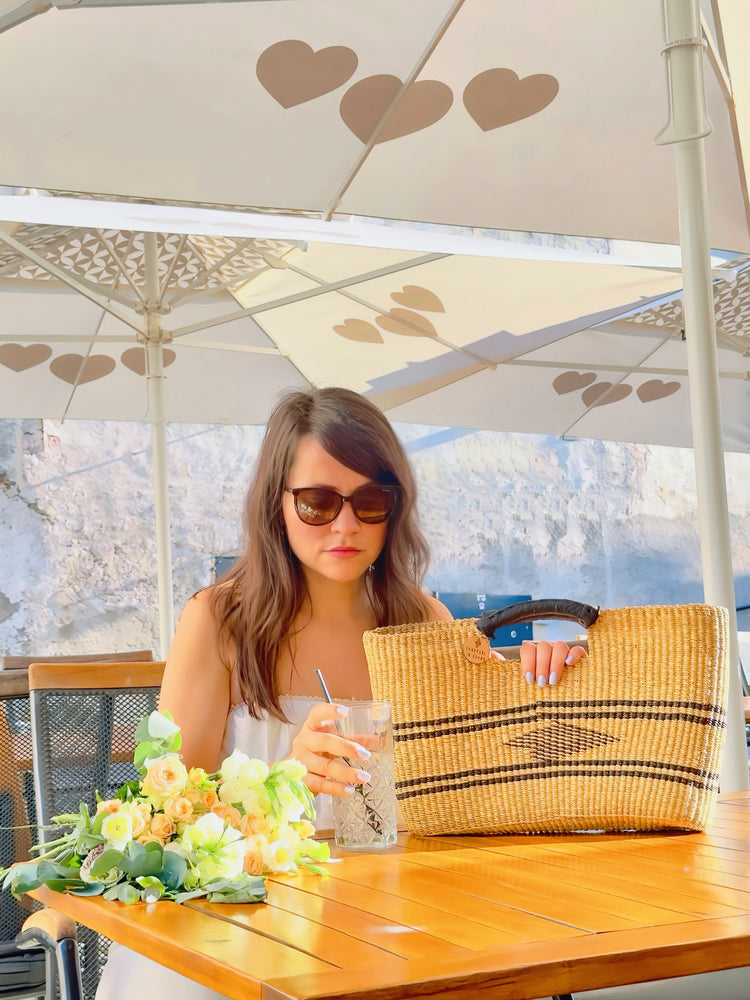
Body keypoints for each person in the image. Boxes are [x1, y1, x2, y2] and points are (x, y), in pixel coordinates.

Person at [96, 386, 585, 1000]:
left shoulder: (423, 621)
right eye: (317, 502)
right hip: (239, 926)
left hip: (397, 920)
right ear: (276, 505)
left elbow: (505, 767)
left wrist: (556, 679)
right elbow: (165, 820)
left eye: (370, 500)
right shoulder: (219, 621)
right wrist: (282, 780)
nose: (346, 524)